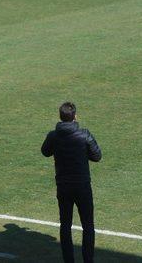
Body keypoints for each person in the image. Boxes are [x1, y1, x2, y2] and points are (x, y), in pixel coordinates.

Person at [41, 102, 102, 263]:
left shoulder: (53, 135)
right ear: (75, 116)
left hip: (63, 186)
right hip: (82, 185)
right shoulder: (84, 134)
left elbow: (45, 151)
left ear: (60, 117)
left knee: (65, 225)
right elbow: (97, 156)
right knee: (88, 226)